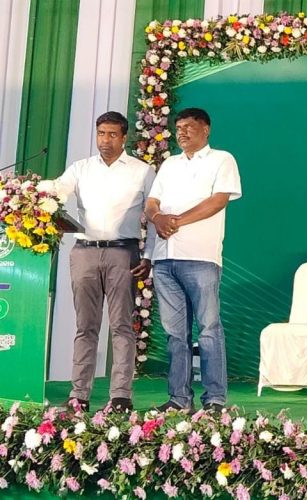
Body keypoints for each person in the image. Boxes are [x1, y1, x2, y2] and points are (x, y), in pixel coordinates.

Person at [56, 111, 155, 413]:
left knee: (122, 325)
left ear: (124, 137)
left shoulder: (142, 171)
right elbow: (56, 192)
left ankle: (121, 396)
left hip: (123, 253)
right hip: (84, 252)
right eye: (101, 133)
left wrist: (148, 256)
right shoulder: (81, 168)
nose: (105, 140)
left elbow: (154, 216)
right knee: (85, 326)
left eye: (112, 134)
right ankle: (79, 395)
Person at [144, 108, 242, 413]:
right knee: (175, 333)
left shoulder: (222, 159)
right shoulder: (170, 164)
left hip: (200, 257)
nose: (182, 132)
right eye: (178, 128)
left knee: (209, 328)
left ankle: (214, 399)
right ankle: (179, 399)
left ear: (206, 129)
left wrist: (176, 221)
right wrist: (157, 218)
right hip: (165, 258)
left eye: (189, 126)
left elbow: (218, 201)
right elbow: (151, 202)